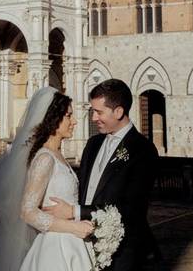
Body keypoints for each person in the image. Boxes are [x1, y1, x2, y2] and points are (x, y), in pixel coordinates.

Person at [45, 78, 159, 271]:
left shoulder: (143, 149)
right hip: (81, 244)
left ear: (119, 111)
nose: (93, 118)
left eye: (99, 112)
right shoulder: (93, 144)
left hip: (122, 253)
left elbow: (131, 209)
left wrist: (75, 211)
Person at [0, 87, 93, 271]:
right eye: (68, 116)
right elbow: (28, 211)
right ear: (53, 119)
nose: (75, 121)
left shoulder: (57, 155)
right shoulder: (45, 158)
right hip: (56, 248)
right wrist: (73, 228)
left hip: (70, 242)